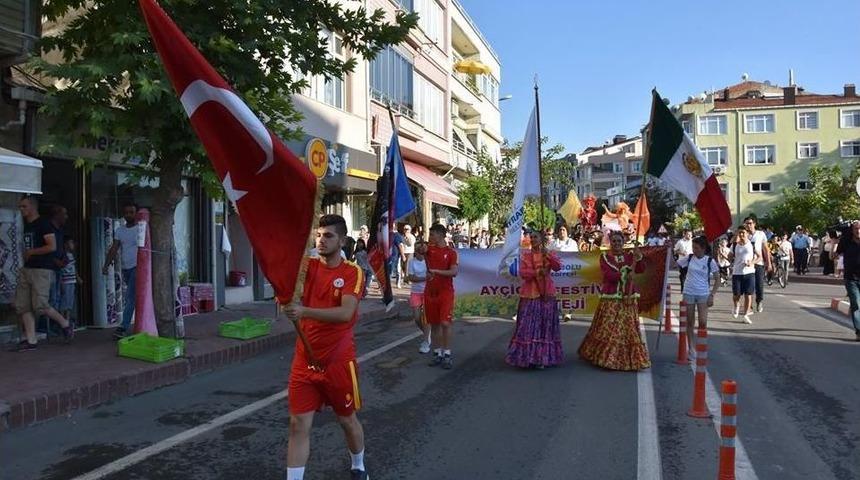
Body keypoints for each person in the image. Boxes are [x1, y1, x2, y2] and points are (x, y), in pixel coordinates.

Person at [282, 214, 368, 480]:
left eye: (328, 236)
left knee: (346, 420)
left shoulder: (352, 272)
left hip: (337, 361)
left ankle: (358, 465)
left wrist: (303, 311)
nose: (321, 240)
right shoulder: (306, 268)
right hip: (304, 359)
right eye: (318, 235)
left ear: (342, 240)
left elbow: (345, 313)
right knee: (298, 425)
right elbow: (286, 289)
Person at [578, 231, 650, 371]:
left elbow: (641, 269)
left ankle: (629, 359)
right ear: (610, 242)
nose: (617, 244)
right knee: (609, 327)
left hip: (628, 297)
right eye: (614, 241)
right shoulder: (605, 257)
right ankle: (606, 357)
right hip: (611, 297)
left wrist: (638, 258)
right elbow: (608, 275)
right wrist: (624, 274)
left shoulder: (630, 256)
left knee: (627, 327)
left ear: (623, 242)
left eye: (619, 241)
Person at [14, 196, 74, 350]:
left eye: (24, 206)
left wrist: (31, 252)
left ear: (33, 207)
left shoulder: (44, 224)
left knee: (40, 305)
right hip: (27, 268)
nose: (21, 210)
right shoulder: (27, 225)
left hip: (42, 269)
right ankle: (31, 340)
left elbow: (51, 246)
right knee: (23, 305)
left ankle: (65, 324)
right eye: (20, 207)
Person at [505, 230, 564, 369]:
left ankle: (542, 357)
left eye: (535, 237)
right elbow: (523, 273)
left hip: (546, 293)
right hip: (530, 294)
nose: (533, 239)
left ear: (542, 238)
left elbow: (557, 267)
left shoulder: (548, 253)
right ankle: (526, 357)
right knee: (527, 326)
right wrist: (537, 272)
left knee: (545, 326)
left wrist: (548, 256)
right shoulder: (526, 255)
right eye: (531, 237)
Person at [676, 236, 720, 357]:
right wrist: (669, 250)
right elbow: (675, 264)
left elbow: (717, 279)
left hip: (703, 293)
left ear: (703, 248)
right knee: (690, 321)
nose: (694, 250)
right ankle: (691, 347)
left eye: (696, 248)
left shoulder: (710, 261)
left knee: (702, 321)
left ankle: (701, 343)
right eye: (693, 247)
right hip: (688, 292)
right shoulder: (689, 258)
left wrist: (712, 295)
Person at [103, 202, 140, 338]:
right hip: (126, 268)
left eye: (131, 212)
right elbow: (114, 248)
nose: (129, 215)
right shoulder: (120, 231)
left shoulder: (141, 229)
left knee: (130, 297)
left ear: (136, 213)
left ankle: (123, 327)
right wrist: (106, 265)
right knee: (132, 297)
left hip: (138, 267)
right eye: (126, 212)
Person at [425, 223, 459, 369]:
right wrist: (420, 246)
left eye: (432, 234)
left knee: (445, 323)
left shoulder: (451, 253)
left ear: (440, 235)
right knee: (434, 325)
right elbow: (419, 249)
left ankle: (447, 354)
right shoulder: (429, 249)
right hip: (430, 292)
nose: (430, 237)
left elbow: (454, 272)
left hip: (445, 292)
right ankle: (437, 353)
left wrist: (436, 271)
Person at [833, 221, 860, 341]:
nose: (858, 231)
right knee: (856, 304)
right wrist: (834, 242)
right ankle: (859, 331)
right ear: (852, 230)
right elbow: (833, 256)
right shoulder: (846, 241)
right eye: (856, 229)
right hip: (851, 278)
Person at [730, 226, 758, 324]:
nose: (741, 235)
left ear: (747, 234)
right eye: (740, 233)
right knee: (736, 295)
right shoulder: (734, 245)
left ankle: (746, 315)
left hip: (749, 273)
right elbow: (730, 258)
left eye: (743, 233)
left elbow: (759, 257)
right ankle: (736, 305)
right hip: (737, 272)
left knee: (748, 294)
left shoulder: (752, 245)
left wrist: (752, 262)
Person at [407, 240, 431, 353]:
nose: (420, 252)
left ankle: (426, 341)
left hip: (427, 291)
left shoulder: (429, 261)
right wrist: (424, 278)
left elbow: (433, 275)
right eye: (418, 250)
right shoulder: (411, 262)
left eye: (422, 250)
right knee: (417, 318)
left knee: (426, 317)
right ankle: (427, 333)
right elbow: (411, 277)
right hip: (415, 292)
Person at [744, 216, 770, 312]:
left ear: (754, 224)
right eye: (746, 223)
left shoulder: (760, 234)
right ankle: (749, 305)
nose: (748, 225)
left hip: (758, 263)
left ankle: (759, 301)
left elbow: (766, 249)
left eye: (750, 223)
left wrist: (769, 263)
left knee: (759, 284)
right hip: (747, 264)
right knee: (748, 285)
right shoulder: (743, 235)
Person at [59, 236, 82, 323]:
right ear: (65, 244)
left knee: (69, 301)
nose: (73, 245)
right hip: (65, 281)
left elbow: (73, 267)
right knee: (64, 301)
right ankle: (62, 321)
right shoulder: (62, 254)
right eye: (70, 242)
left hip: (72, 280)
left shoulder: (71, 255)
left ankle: (67, 320)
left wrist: (77, 277)